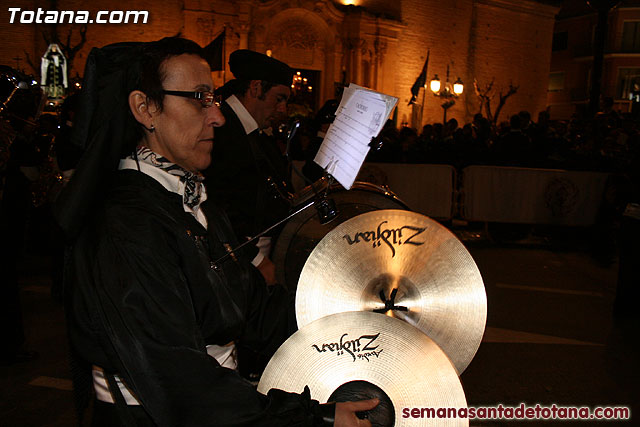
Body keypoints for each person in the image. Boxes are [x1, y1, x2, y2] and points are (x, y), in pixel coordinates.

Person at [54, 37, 376, 426]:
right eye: (199, 98)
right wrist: (312, 418)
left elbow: (252, 307)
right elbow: (179, 382)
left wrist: (356, 311)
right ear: (145, 108)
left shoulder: (189, 195)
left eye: (214, 98)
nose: (218, 117)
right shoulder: (127, 223)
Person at [203, 50, 294, 286]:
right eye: (279, 98)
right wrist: (256, 259)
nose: (283, 109)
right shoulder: (222, 130)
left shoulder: (253, 132)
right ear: (255, 88)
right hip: (238, 261)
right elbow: (213, 205)